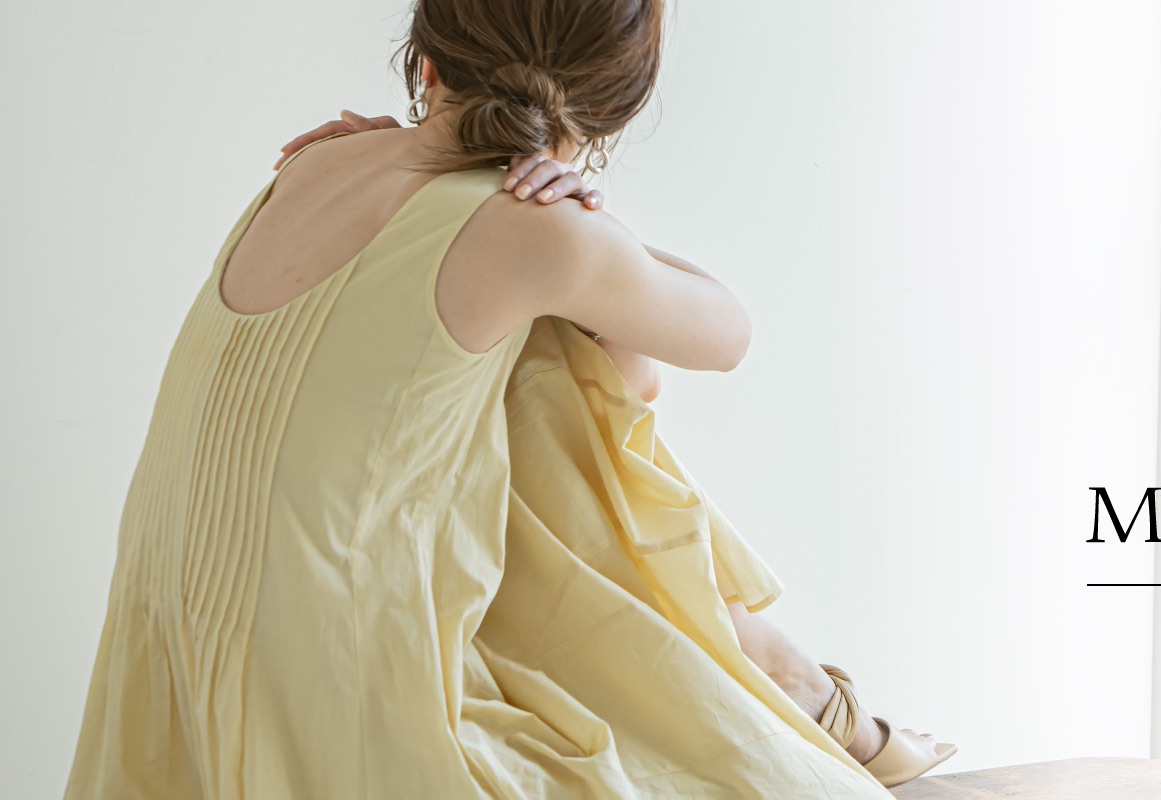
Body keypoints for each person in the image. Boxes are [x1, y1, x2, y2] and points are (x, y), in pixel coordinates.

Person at [65, 1, 952, 796]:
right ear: (611, 101)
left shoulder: (319, 160)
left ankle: (776, 668)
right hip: (335, 692)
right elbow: (727, 335)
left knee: (549, 357)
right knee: (570, 362)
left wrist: (573, 247)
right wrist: (595, 230)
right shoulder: (533, 235)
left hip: (178, 650)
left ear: (428, 55)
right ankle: (783, 673)